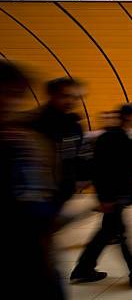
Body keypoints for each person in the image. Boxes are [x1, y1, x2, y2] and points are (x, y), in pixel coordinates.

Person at [0, 61, 78, 300]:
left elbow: (37, 191)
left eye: (15, 96)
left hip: (30, 250)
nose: (8, 104)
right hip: (20, 251)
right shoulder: (28, 133)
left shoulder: (24, 140)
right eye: (6, 95)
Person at [70, 103, 132, 287]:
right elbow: (100, 169)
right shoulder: (109, 138)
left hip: (122, 191)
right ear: (128, 116)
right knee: (121, 233)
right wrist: (105, 197)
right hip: (113, 193)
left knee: (106, 232)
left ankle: (83, 269)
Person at [29, 77, 87, 208]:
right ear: (51, 95)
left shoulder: (74, 125)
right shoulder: (36, 123)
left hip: (61, 191)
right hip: (37, 193)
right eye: (65, 96)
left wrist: (80, 177)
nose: (70, 101)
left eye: (75, 97)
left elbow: (74, 155)